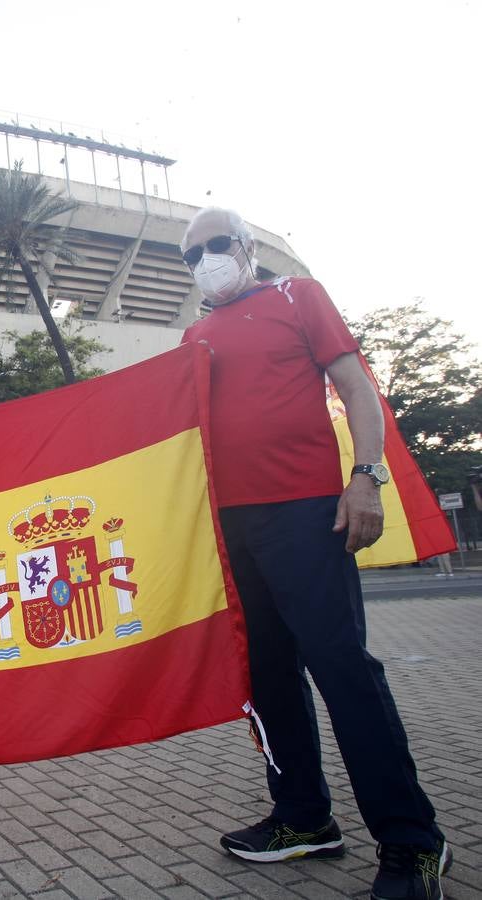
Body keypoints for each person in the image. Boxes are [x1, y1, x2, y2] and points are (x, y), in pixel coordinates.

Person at [179, 208, 450, 900]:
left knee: (342, 672)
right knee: (268, 680)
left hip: (305, 514)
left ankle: (413, 843)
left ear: (245, 249)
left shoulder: (298, 298)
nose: (207, 259)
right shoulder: (195, 335)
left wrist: (366, 476)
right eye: (192, 255)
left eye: (217, 245)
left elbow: (356, 388)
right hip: (229, 529)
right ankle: (303, 819)